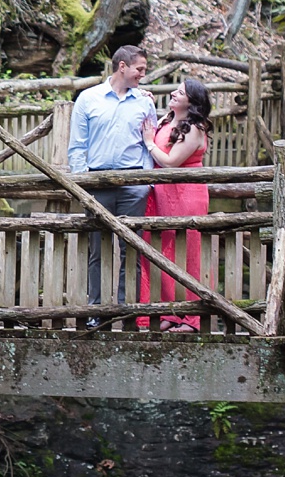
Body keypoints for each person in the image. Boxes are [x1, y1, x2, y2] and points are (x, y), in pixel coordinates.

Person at [68, 46, 156, 327]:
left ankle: (126, 312)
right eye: (139, 69)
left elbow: (149, 141)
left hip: (133, 183)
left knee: (131, 249)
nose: (143, 74)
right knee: (97, 249)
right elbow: (78, 145)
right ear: (122, 67)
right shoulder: (88, 98)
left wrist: (146, 180)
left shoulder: (145, 102)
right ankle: (96, 311)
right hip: (97, 182)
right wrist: (82, 181)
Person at [139, 78, 213, 331]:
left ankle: (192, 317)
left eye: (179, 92)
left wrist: (149, 143)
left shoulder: (194, 128)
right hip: (162, 193)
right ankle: (170, 312)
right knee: (162, 249)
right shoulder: (167, 120)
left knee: (187, 251)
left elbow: (171, 162)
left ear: (191, 101)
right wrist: (143, 97)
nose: (173, 93)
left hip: (186, 193)